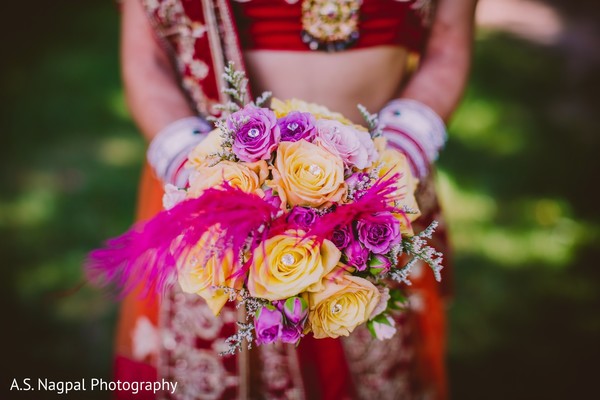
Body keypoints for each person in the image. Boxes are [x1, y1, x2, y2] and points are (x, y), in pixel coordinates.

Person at [114, 0, 477, 399]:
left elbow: (447, 45)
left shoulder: (390, 175)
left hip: (381, 194)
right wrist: (202, 176)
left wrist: (396, 159)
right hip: (217, 201)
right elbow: (148, 60)